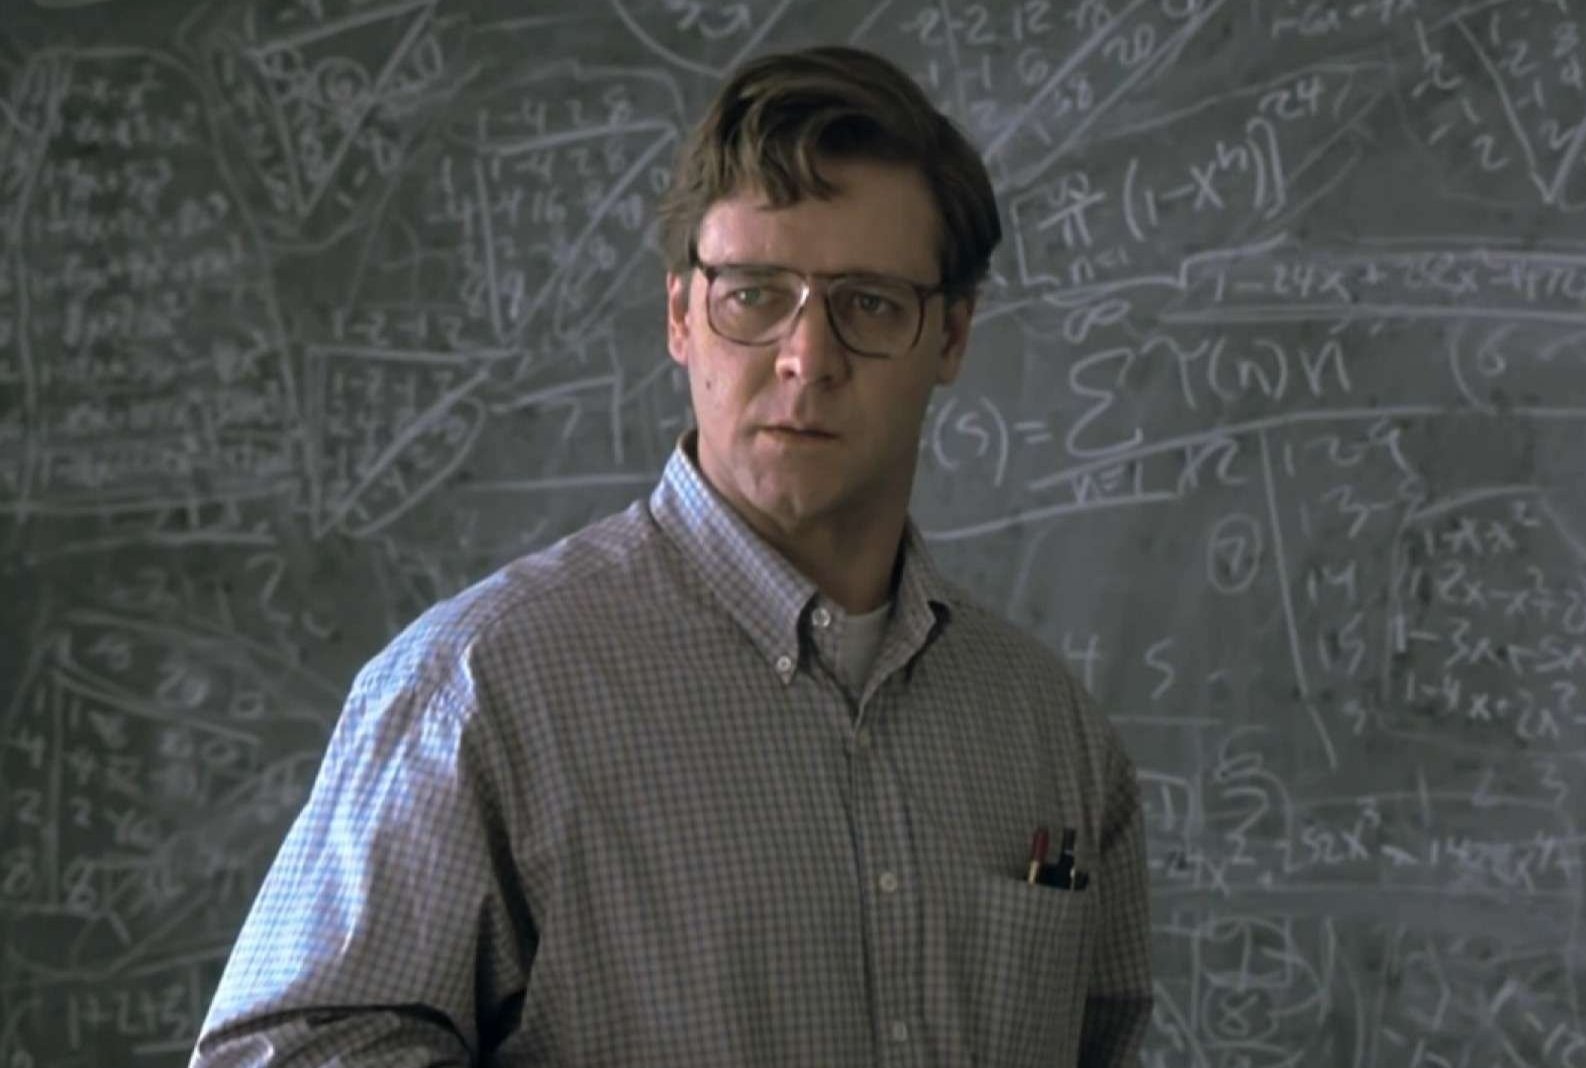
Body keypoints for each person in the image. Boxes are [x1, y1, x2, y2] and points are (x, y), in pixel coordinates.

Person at [193, 44, 1152, 1066]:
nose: (807, 357)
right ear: (681, 316)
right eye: (755, 294)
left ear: (952, 335)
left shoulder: (1048, 731)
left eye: (870, 303)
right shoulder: (481, 690)